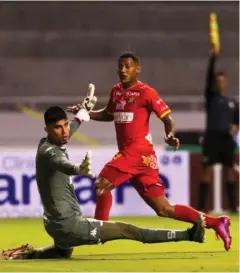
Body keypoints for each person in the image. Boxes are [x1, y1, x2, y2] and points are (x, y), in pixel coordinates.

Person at [68, 51, 232, 251]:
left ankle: (96, 232)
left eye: (127, 66)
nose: (122, 70)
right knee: (164, 209)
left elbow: (167, 118)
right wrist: (86, 113)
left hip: (137, 151)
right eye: (120, 66)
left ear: (138, 68)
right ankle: (217, 223)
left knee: (102, 184)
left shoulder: (146, 92)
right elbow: (108, 114)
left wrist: (170, 134)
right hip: (141, 159)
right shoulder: (116, 91)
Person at [0, 105, 206, 260]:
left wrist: (82, 114)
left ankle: (31, 254)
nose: (64, 132)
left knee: (64, 252)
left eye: (65, 126)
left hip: (55, 225)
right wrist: (78, 169)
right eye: (57, 128)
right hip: (69, 225)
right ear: (47, 129)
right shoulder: (49, 152)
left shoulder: (46, 142)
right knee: (129, 231)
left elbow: (70, 130)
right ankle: (189, 235)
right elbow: (62, 163)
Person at [198, 44, 239, 213]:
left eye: (222, 81)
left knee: (229, 171)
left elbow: (237, 121)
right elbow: (208, 78)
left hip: (226, 140)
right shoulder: (211, 98)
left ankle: (233, 207)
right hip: (212, 139)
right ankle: (201, 207)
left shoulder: (233, 102)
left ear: (226, 83)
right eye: (218, 81)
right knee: (206, 172)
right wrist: (213, 58)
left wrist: (235, 127)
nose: (220, 83)